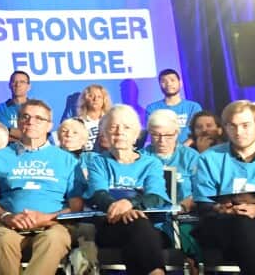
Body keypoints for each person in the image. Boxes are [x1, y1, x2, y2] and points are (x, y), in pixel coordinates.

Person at [0, 99, 84, 275]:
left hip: (53, 225)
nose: (30, 121)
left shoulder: (67, 161)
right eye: (25, 117)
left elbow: (76, 206)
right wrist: (6, 216)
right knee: (3, 241)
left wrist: (47, 217)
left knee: (54, 239)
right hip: (7, 224)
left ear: (49, 126)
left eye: (38, 118)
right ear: (18, 122)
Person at [192, 99, 255, 273]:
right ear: (225, 128)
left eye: (245, 125)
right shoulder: (208, 159)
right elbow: (204, 204)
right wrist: (223, 209)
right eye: (232, 126)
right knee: (244, 225)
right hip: (221, 226)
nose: (238, 132)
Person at [84, 105, 171, 275]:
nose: (119, 132)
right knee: (137, 226)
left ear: (136, 134)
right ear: (105, 133)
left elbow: (156, 197)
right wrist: (123, 211)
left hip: (151, 227)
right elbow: (98, 195)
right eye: (113, 127)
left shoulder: (151, 163)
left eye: (126, 127)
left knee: (139, 228)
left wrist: (130, 204)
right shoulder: (98, 162)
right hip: (110, 227)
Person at [143, 108, 200, 209]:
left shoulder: (191, 157)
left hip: (184, 215)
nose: (162, 140)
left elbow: (202, 190)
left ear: (177, 133)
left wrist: (185, 204)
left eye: (168, 135)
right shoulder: (141, 157)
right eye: (156, 135)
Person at [143, 69, 202, 146]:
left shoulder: (193, 107)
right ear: (160, 85)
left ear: (180, 83)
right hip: (161, 150)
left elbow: (198, 131)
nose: (169, 84)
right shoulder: (152, 108)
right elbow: (153, 133)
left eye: (172, 80)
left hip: (188, 150)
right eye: (164, 81)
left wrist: (183, 148)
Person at [0, 71, 31, 140]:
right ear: (9, 85)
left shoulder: (36, 108)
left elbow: (39, 134)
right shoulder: (1, 108)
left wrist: (10, 131)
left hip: (32, 150)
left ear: (28, 87)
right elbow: (1, 134)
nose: (18, 84)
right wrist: (27, 137)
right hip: (8, 149)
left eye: (22, 82)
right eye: (14, 82)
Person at [76, 84, 113, 151]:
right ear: (85, 99)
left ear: (104, 100)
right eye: (91, 96)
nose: (95, 99)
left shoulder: (111, 120)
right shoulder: (77, 122)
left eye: (99, 97)